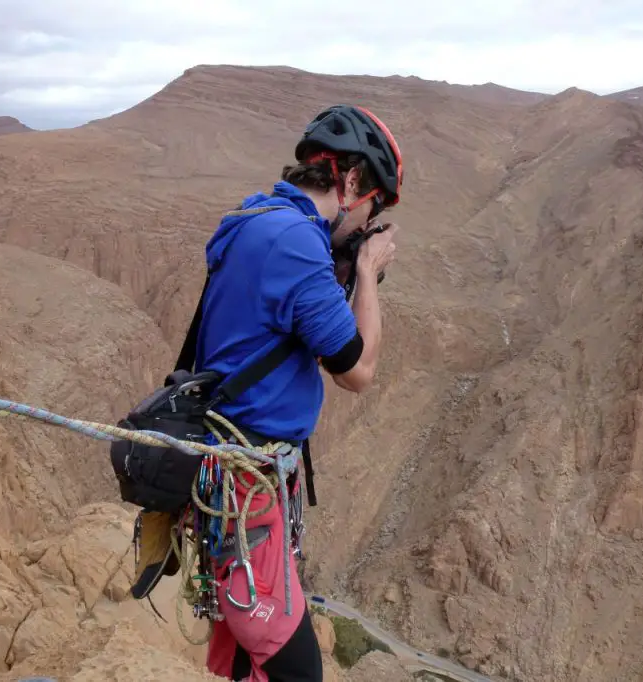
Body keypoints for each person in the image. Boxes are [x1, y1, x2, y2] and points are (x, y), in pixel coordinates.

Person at [196, 104, 403, 682]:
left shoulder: (259, 219)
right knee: (297, 671)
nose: (367, 223)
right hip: (247, 492)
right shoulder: (296, 245)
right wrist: (365, 272)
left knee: (247, 659)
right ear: (353, 181)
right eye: (371, 208)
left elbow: (287, 333)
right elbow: (355, 372)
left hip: (239, 482)